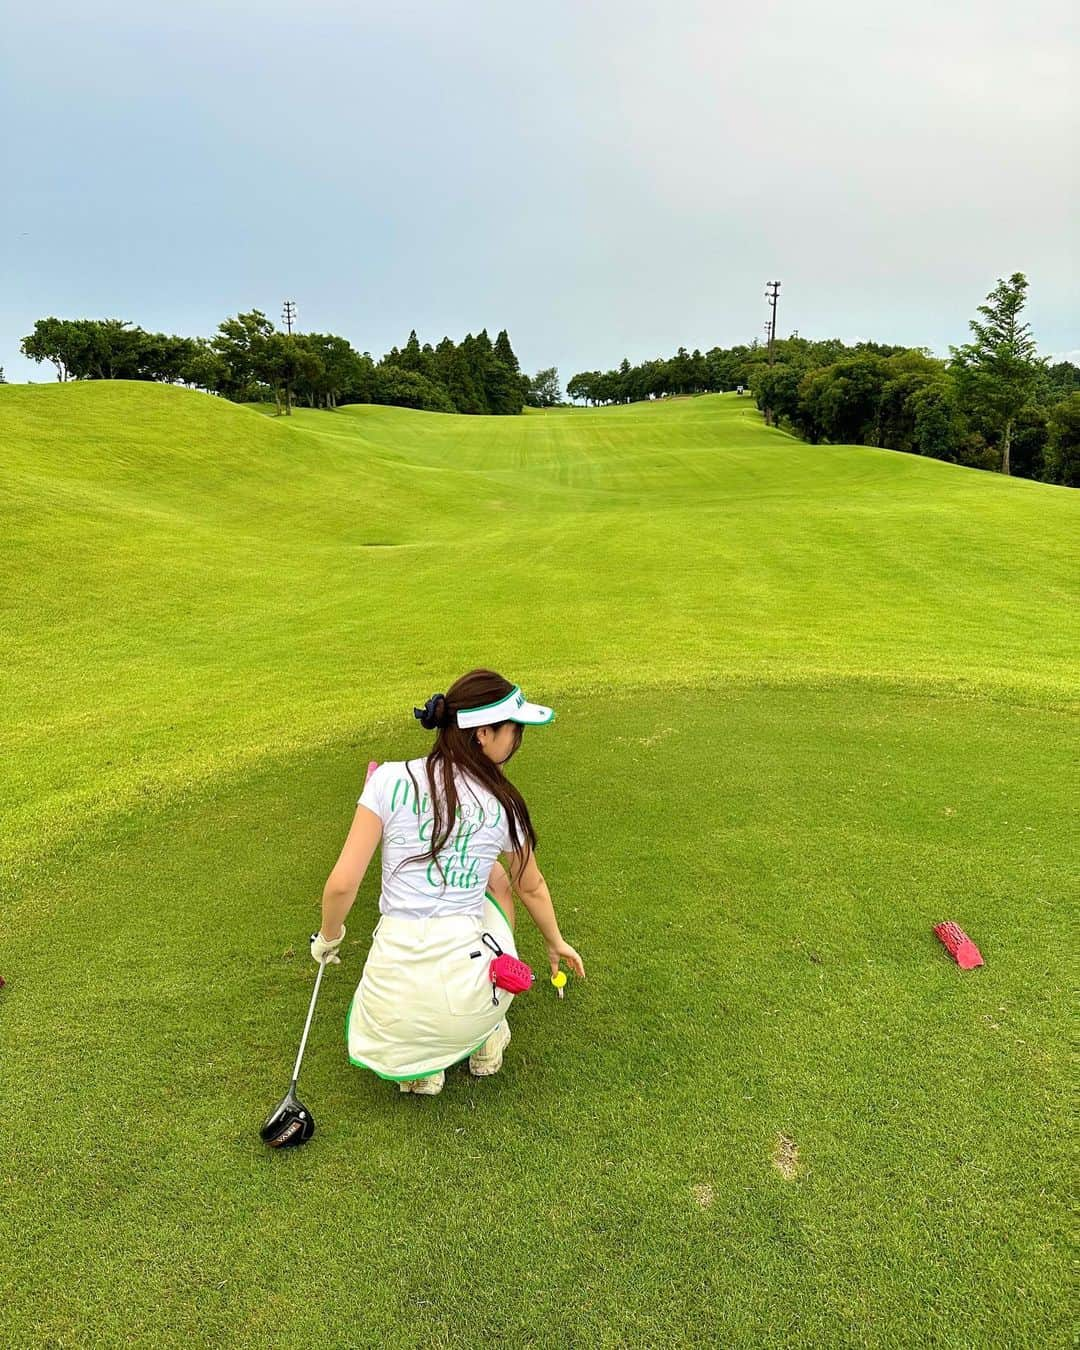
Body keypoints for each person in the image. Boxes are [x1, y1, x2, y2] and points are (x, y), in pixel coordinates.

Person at [310, 668, 586, 1097]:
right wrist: (555, 940)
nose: (516, 741)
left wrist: (328, 939)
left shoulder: (386, 779)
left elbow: (343, 884)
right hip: (467, 1006)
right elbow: (529, 886)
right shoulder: (504, 805)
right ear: (482, 734)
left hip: (392, 1011)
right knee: (498, 880)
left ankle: (422, 1068)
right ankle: (488, 1035)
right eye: (513, 730)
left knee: (490, 873)